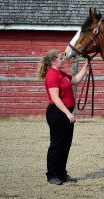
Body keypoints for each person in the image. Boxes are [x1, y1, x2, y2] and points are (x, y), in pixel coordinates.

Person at [37, 49, 88, 185]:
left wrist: (86, 64)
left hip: (65, 112)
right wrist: (68, 113)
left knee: (66, 145)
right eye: (60, 58)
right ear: (53, 61)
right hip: (57, 113)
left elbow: (76, 80)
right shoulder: (52, 75)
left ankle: (62, 174)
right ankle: (52, 175)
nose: (63, 59)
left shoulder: (60, 74)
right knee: (57, 145)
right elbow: (55, 97)